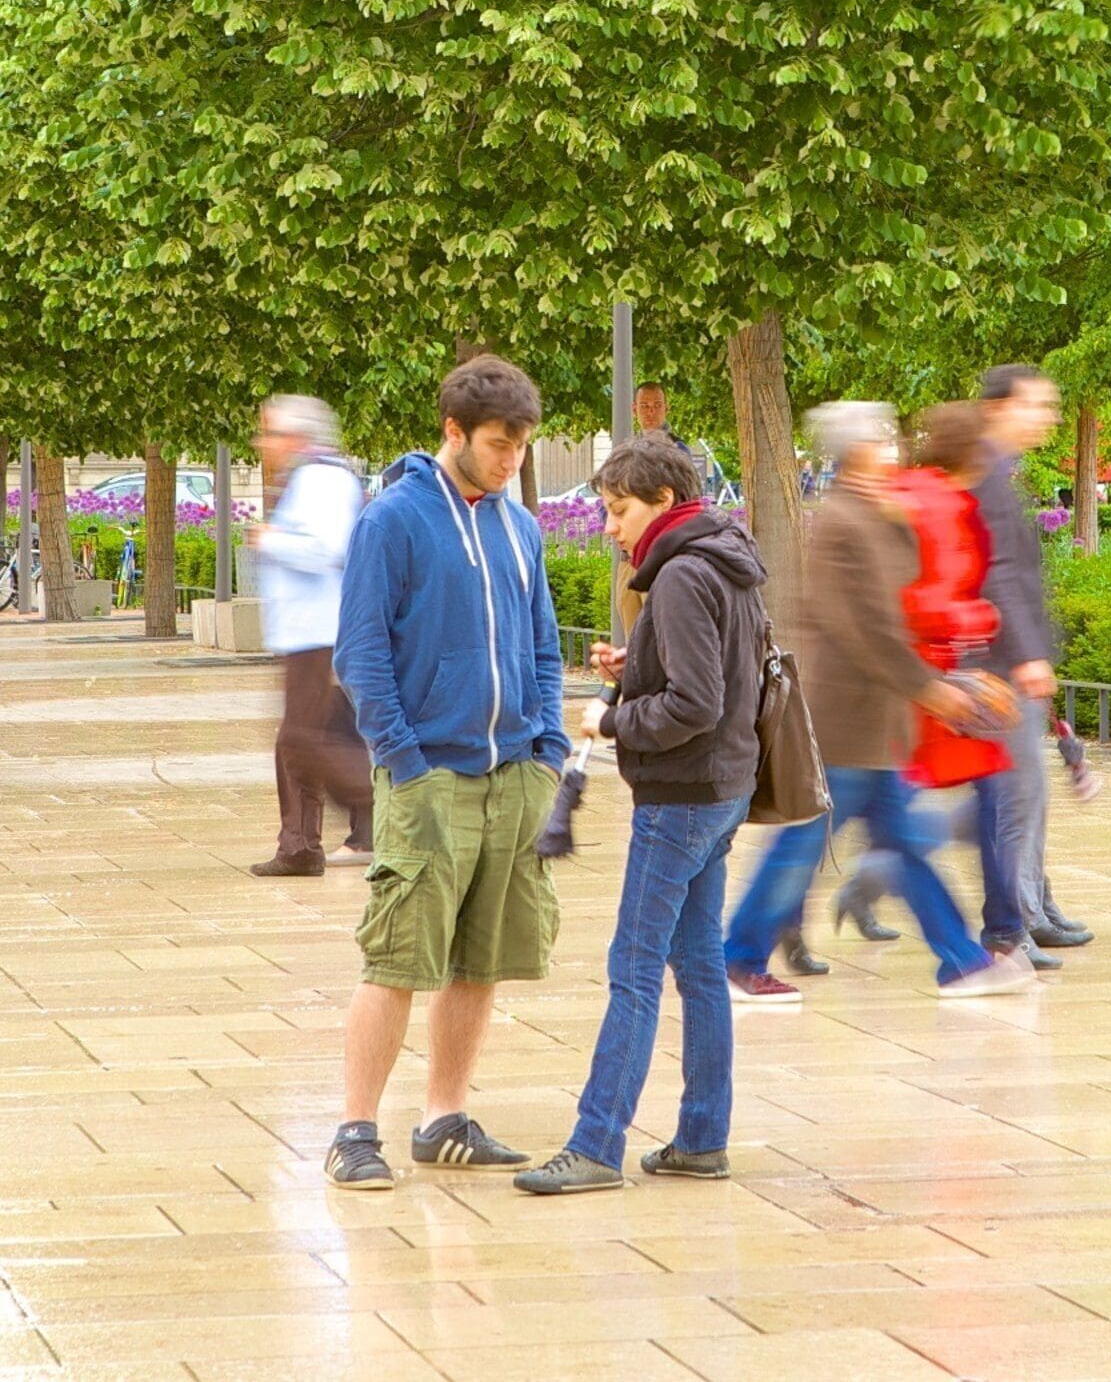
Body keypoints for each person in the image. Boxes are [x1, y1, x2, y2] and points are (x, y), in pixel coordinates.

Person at [322, 356, 569, 1190]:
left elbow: (542, 645)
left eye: (523, 447)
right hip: (429, 775)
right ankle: (355, 1130)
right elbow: (360, 654)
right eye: (500, 445)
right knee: (396, 958)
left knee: (481, 958)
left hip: (514, 774)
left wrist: (548, 753)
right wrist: (408, 765)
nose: (513, 463)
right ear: (454, 431)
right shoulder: (393, 519)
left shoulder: (518, 524)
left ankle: (443, 1117)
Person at [517, 433, 766, 1194]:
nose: (609, 525)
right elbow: (718, 671)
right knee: (698, 969)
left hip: (682, 797)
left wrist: (610, 721)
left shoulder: (684, 574)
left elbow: (695, 704)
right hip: (721, 790)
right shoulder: (724, 558)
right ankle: (701, 1138)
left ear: (663, 501)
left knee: (634, 970)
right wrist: (638, 667)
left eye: (619, 510)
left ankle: (596, 1145)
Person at [723, 403, 1035, 1003]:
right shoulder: (842, 520)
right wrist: (932, 690)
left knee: (901, 845)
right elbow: (863, 629)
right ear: (854, 449)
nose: (892, 446)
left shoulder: (878, 511)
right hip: (845, 722)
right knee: (802, 848)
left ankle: (963, 961)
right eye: (880, 439)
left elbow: (911, 603)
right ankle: (737, 957)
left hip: (880, 723)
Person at [897, 401, 1029, 963]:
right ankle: (997, 936)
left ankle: (1003, 930)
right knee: (884, 802)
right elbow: (926, 594)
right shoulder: (932, 502)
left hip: (943, 675)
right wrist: (978, 621)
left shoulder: (944, 498)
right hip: (929, 680)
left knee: (992, 794)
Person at [974, 365, 1087, 950]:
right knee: (1015, 796)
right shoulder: (985, 476)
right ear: (998, 408)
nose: (1047, 417)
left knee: (1028, 792)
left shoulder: (1001, 471)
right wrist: (1025, 654)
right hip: (998, 664)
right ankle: (1015, 921)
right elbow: (997, 574)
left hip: (1011, 660)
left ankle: (1034, 905)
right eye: (1036, 405)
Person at [251, 395, 374, 877]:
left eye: (271, 434)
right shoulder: (310, 476)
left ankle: (384, 809)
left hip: (318, 632)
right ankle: (300, 845)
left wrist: (271, 540)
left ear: (297, 437)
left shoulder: (322, 479)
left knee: (305, 739)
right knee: (305, 739)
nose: (264, 445)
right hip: (307, 632)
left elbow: (325, 549)